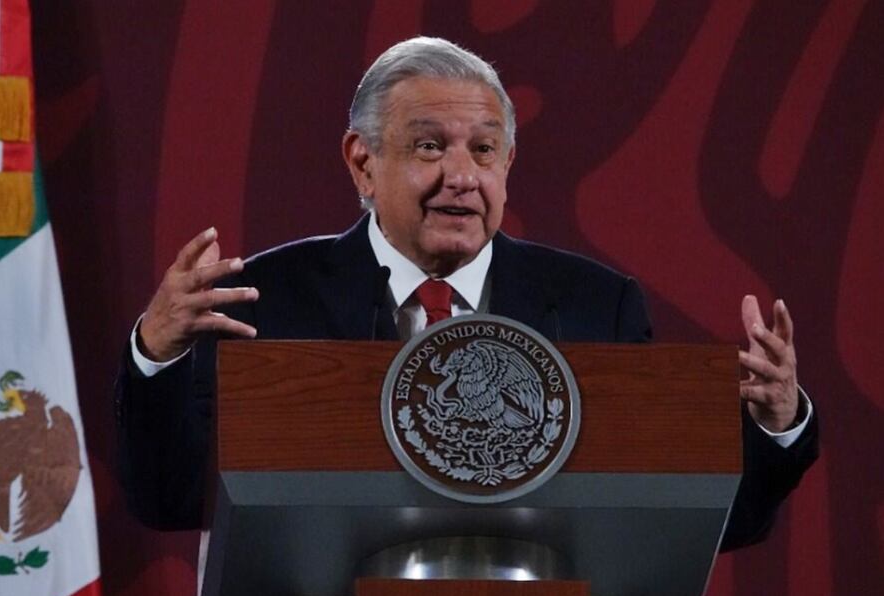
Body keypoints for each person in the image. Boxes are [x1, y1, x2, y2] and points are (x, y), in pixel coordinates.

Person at [115, 37, 817, 552]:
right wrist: (157, 354)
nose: (460, 175)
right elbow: (169, 498)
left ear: (506, 164)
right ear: (363, 162)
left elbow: (707, 521)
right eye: (428, 147)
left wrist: (773, 424)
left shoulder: (594, 305)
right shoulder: (265, 300)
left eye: (482, 151)